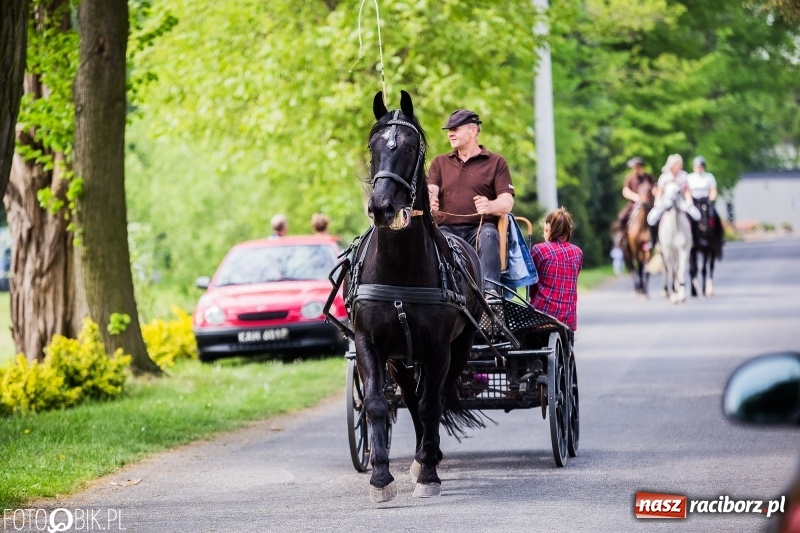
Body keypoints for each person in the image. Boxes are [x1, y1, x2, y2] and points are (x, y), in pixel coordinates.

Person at [427, 108, 515, 294]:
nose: (450, 133)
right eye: (449, 130)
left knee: (489, 236)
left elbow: (507, 202)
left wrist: (490, 205)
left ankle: (490, 295)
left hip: (480, 230)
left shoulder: (497, 162)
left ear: (473, 131)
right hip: (446, 230)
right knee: (436, 239)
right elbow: (432, 189)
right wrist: (430, 200)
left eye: (456, 129)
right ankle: (440, 295)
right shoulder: (439, 163)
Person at [530, 208, 583, 331]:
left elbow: (531, 284)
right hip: (568, 319)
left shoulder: (539, 250)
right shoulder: (577, 252)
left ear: (547, 227)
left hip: (542, 317)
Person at [613, 156, 655, 248]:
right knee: (622, 217)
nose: (635, 169)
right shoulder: (630, 178)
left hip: (648, 205)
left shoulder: (648, 178)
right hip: (634, 204)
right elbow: (625, 191)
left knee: (657, 218)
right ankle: (622, 236)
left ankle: (656, 237)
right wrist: (636, 197)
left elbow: (654, 189)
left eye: (637, 167)